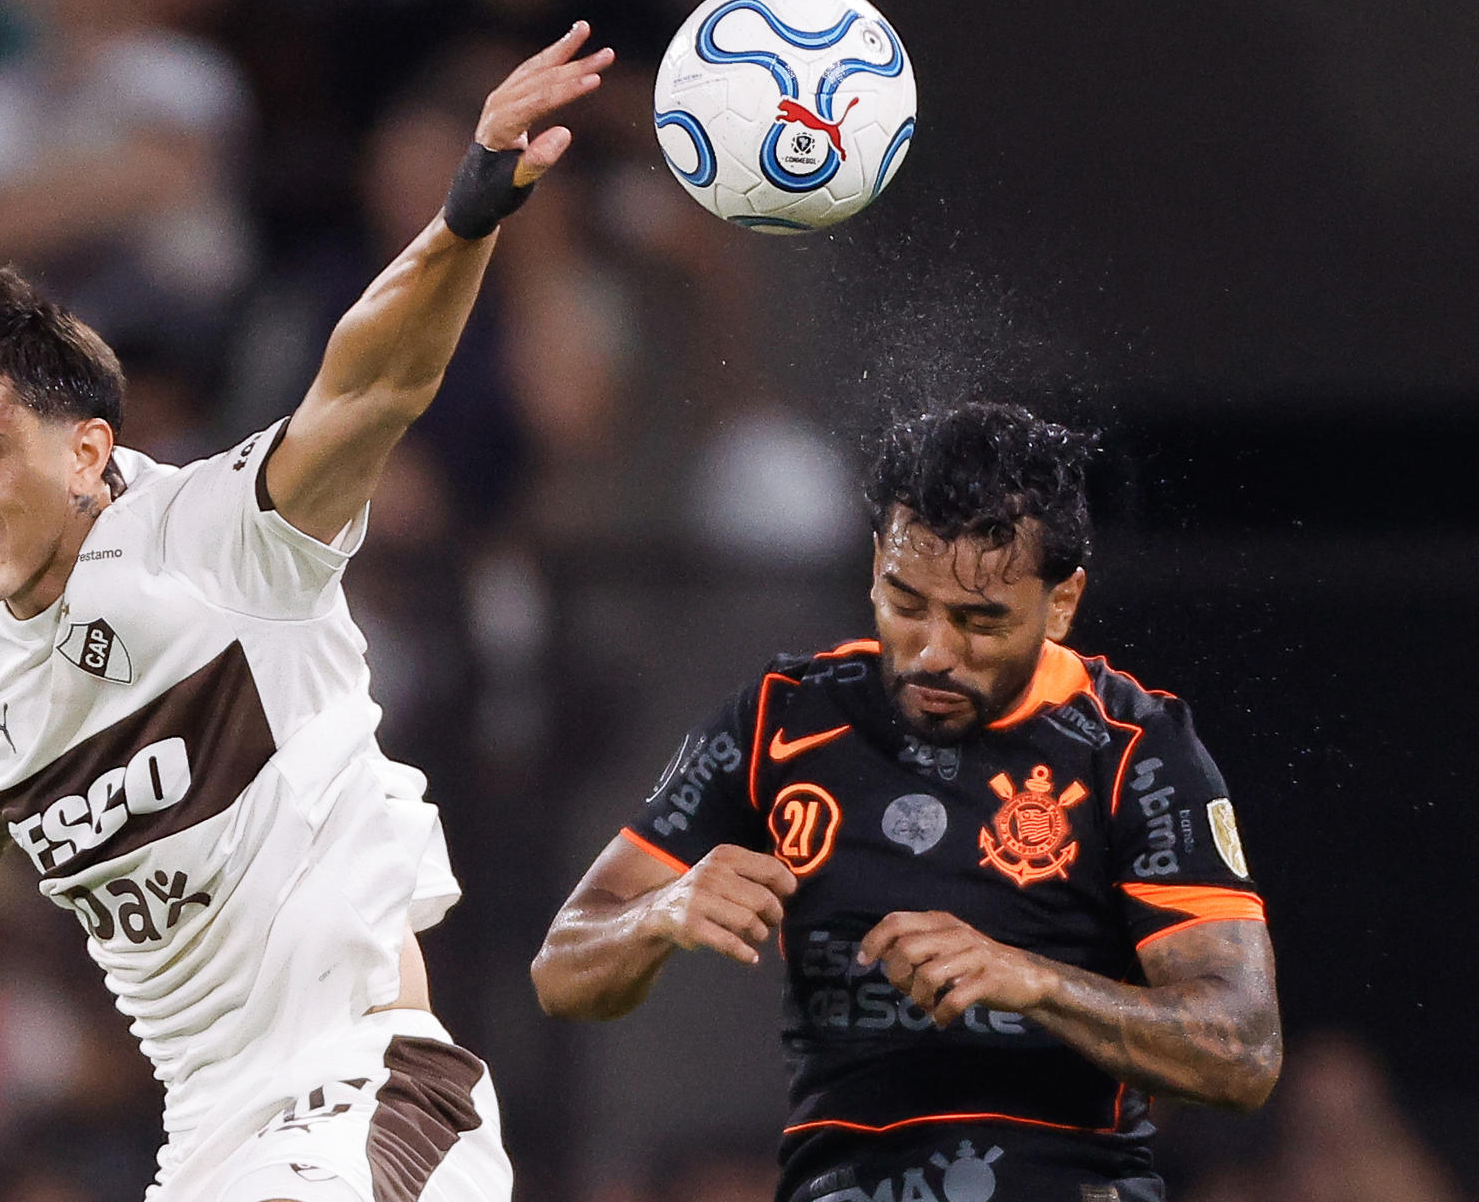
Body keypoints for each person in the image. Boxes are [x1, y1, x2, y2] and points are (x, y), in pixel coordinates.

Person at [0, 23, 614, 1202]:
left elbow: (373, 384)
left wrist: (473, 200)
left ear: (87, 451)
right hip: (206, 1141)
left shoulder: (212, 541)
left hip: (366, 1096)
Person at [531, 403, 1281, 1202]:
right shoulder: (780, 720)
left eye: (978, 622)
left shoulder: (1136, 748)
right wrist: (660, 911)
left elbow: (1244, 1053)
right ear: (874, 569)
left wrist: (1032, 979)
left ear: (1061, 604)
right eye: (906, 603)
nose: (933, 653)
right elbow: (561, 972)